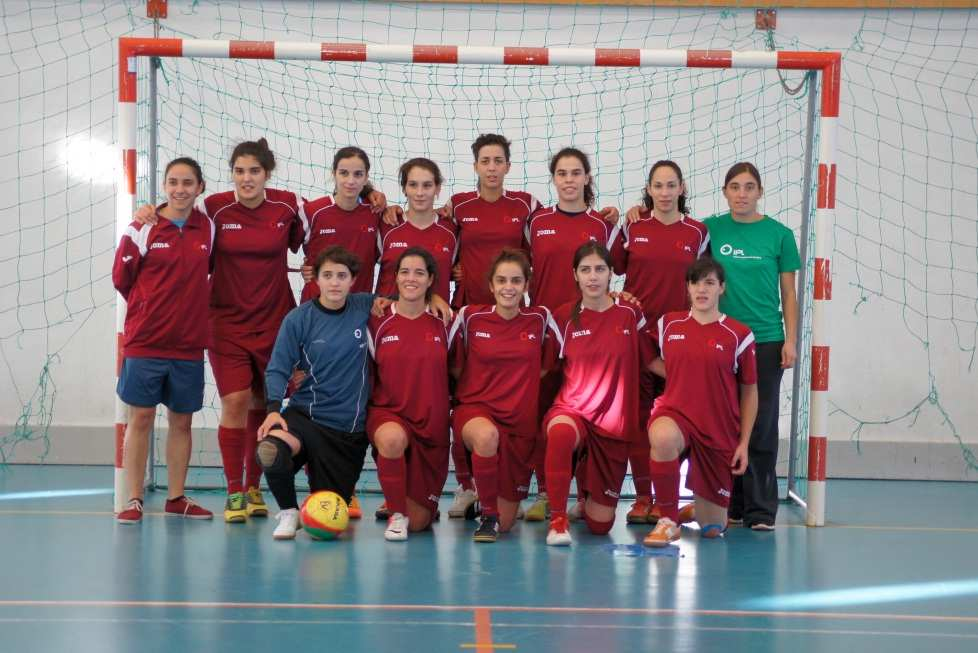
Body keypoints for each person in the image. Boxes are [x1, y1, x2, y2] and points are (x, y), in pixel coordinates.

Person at [134, 138, 304, 523]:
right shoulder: (213, 207)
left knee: (266, 404)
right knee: (235, 400)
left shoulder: (288, 205)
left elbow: (319, 233)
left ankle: (255, 487)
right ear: (231, 174)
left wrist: (376, 196)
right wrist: (148, 212)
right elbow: (177, 213)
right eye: (240, 171)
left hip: (276, 320)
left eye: (254, 171)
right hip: (226, 321)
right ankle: (233, 492)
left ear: (267, 174)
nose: (247, 179)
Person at [523, 147, 626, 523]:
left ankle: (587, 493)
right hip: (546, 332)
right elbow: (514, 266)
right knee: (545, 417)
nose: (569, 180)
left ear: (587, 178)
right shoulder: (535, 223)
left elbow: (624, 268)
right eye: (562, 173)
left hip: (593, 337)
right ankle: (546, 493)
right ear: (554, 179)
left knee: (592, 414)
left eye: (576, 173)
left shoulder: (603, 226)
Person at [113, 157, 214, 524]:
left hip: (188, 345)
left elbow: (211, 270)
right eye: (173, 182)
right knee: (140, 417)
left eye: (188, 182)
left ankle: (176, 497)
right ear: (164, 186)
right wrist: (149, 310)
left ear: (200, 187)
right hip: (146, 342)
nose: (180, 189)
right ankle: (133, 499)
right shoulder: (142, 226)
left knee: (181, 422)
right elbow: (121, 278)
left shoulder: (209, 228)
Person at [704, 162, 800, 530]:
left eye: (748, 187)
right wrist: (638, 210)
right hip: (722, 340)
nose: (741, 193)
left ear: (760, 192)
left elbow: (788, 293)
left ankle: (761, 510)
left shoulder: (779, 235)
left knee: (760, 424)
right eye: (734, 186)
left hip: (765, 340)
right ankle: (732, 504)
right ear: (725, 192)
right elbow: (672, 223)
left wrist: (790, 340)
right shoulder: (710, 229)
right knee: (726, 422)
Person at [298, 145, 388, 520]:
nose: (351, 181)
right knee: (313, 399)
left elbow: (394, 257)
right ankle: (320, 488)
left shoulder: (377, 214)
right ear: (333, 174)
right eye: (344, 174)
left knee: (355, 402)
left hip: (356, 320)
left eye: (358, 175)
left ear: (367, 178)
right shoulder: (312, 212)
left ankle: (345, 488)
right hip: (316, 316)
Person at [643, 257, 758, 546]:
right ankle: (667, 520)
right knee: (663, 436)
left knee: (712, 529)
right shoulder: (668, 324)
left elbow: (749, 391)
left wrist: (743, 443)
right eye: (696, 282)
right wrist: (681, 374)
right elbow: (644, 355)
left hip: (717, 427)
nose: (702, 289)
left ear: (722, 288)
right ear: (688, 288)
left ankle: (700, 508)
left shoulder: (739, 334)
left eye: (709, 282)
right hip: (677, 413)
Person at [542, 242, 650, 546]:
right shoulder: (563, 317)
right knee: (561, 434)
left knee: (600, 526)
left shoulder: (629, 313)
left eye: (600, 269)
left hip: (612, 426)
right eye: (585, 270)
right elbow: (543, 370)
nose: (593, 277)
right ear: (575, 275)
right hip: (573, 411)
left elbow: (651, 360)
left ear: (611, 274)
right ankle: (558, 520)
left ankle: (587, 488)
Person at [620, 161, 709, 524]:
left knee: (681, 420)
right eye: (658, 185)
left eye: (671, 185)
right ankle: (643, 497)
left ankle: (671, 496)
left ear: (682, 188)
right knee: (639, 420)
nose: (665, 192)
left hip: (680, 341)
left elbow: (706, 284)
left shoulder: (697, 232)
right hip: (638, 340)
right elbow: (612, 270)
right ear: (650, 189)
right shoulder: (634, 226)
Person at [449, 249, 559, 542]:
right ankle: (487, 514)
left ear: (526, 285)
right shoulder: (470, 316)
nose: (508, 287)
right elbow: (455, 366)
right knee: (486, 437)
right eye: (501, 280)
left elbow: (547, 367)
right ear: (491, 285)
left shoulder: (541, 319)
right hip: (476, 410)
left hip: (519, 425)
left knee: (509, 523)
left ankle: (488, 501)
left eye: (515, 280)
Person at [367, 247, 451, 541]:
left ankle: (413, 505)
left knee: (420, 524)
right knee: (391, 439)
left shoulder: (446, 321)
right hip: (389, 414)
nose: (410, 278)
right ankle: (395, 514)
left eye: (419, 273)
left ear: (431, 281)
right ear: (395, 278)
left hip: (432, 428)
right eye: (404, 272)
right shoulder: (376, 321)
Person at [375, 158, 457, 305]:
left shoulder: (451, 230)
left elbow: (458, 271)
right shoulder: (386, 225)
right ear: (404, 188)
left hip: (435, 323)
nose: (420, 193)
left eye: (427, 185)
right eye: (413, 185)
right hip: (387, 322)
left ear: (437, 189)